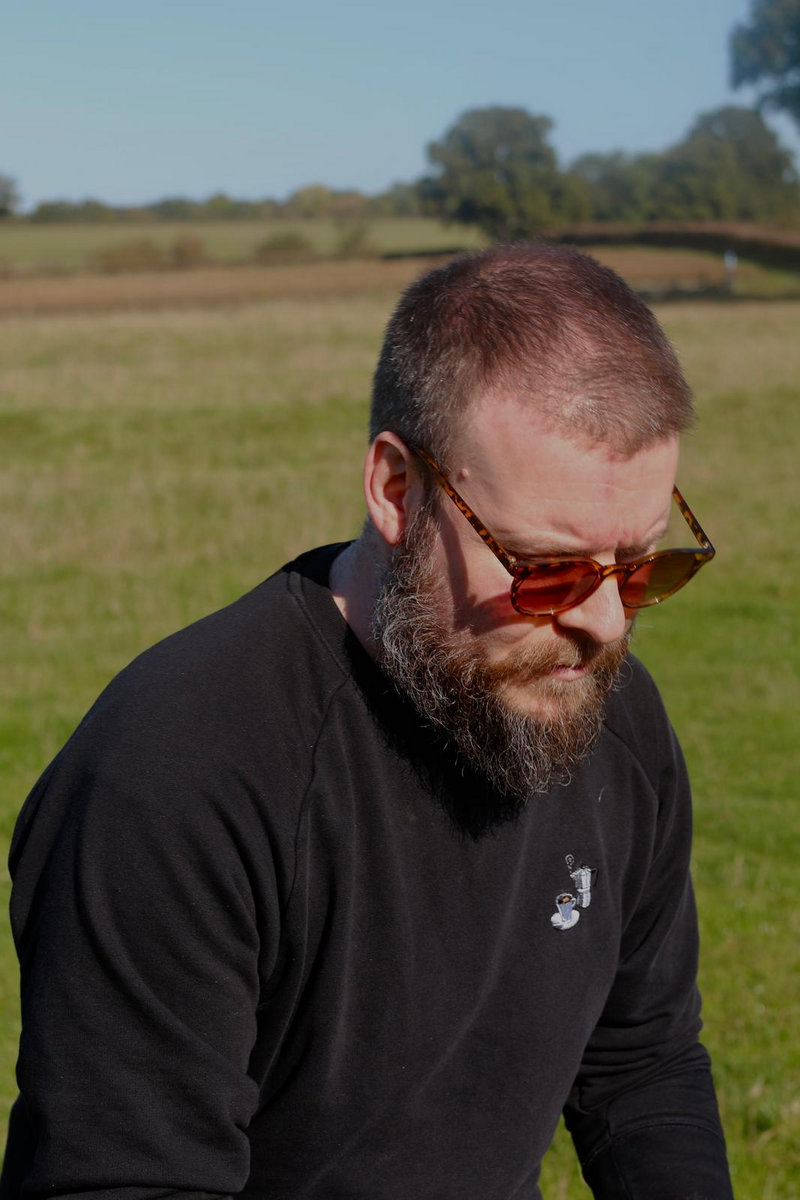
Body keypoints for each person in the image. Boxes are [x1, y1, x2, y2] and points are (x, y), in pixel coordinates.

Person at [2, 244, 733, 1199]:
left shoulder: (612, 715)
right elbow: (121, 1181)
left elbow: (642, 1068)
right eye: (547, 570)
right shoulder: (173, 777)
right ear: (396, 491)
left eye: (641, 567)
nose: (605, 625)